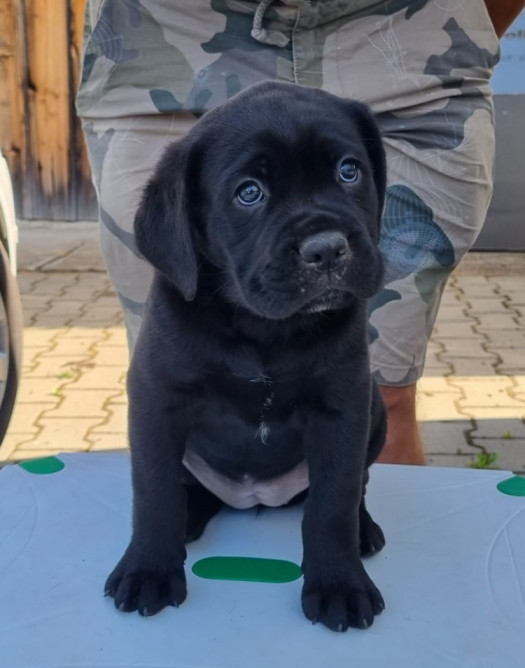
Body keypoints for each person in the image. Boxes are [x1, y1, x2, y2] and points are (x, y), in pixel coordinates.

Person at [76, 0, 524, 466]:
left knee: (379, 394)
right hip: (170, 42)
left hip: (400, 42)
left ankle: (345, 536)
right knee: (180, 394)